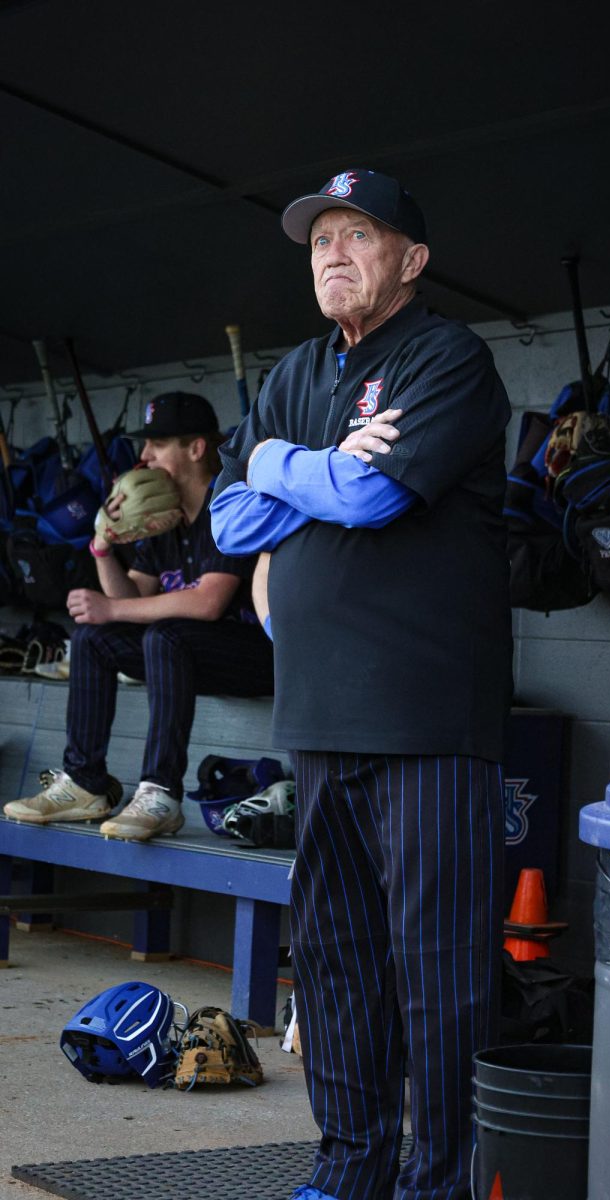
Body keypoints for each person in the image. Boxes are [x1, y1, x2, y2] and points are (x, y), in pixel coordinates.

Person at [210, 169, 512, 1200]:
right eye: (319, 239)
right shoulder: (297, 370)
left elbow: (373, 494)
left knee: (439, 970)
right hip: (319, 714)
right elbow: (225, 522)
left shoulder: (449, 358)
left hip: (427, 713)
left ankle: (435, 1183)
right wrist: (310, 468)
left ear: (412, 261)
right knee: (333, 962)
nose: (334, 253)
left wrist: (284, 470)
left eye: (360, 235)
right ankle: (350, 1170)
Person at [4, 391, 274, 842]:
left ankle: (160, 792)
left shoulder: (230, 501)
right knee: (94, 638)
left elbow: (207, 602)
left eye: (157, 444)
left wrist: (112, 607)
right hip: (186, 656)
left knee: (165, 635)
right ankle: (85, 782)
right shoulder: (164, 516)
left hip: (256, 655)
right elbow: (132, 600)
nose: (144, 456)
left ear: (196, 448)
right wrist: (102, 546)